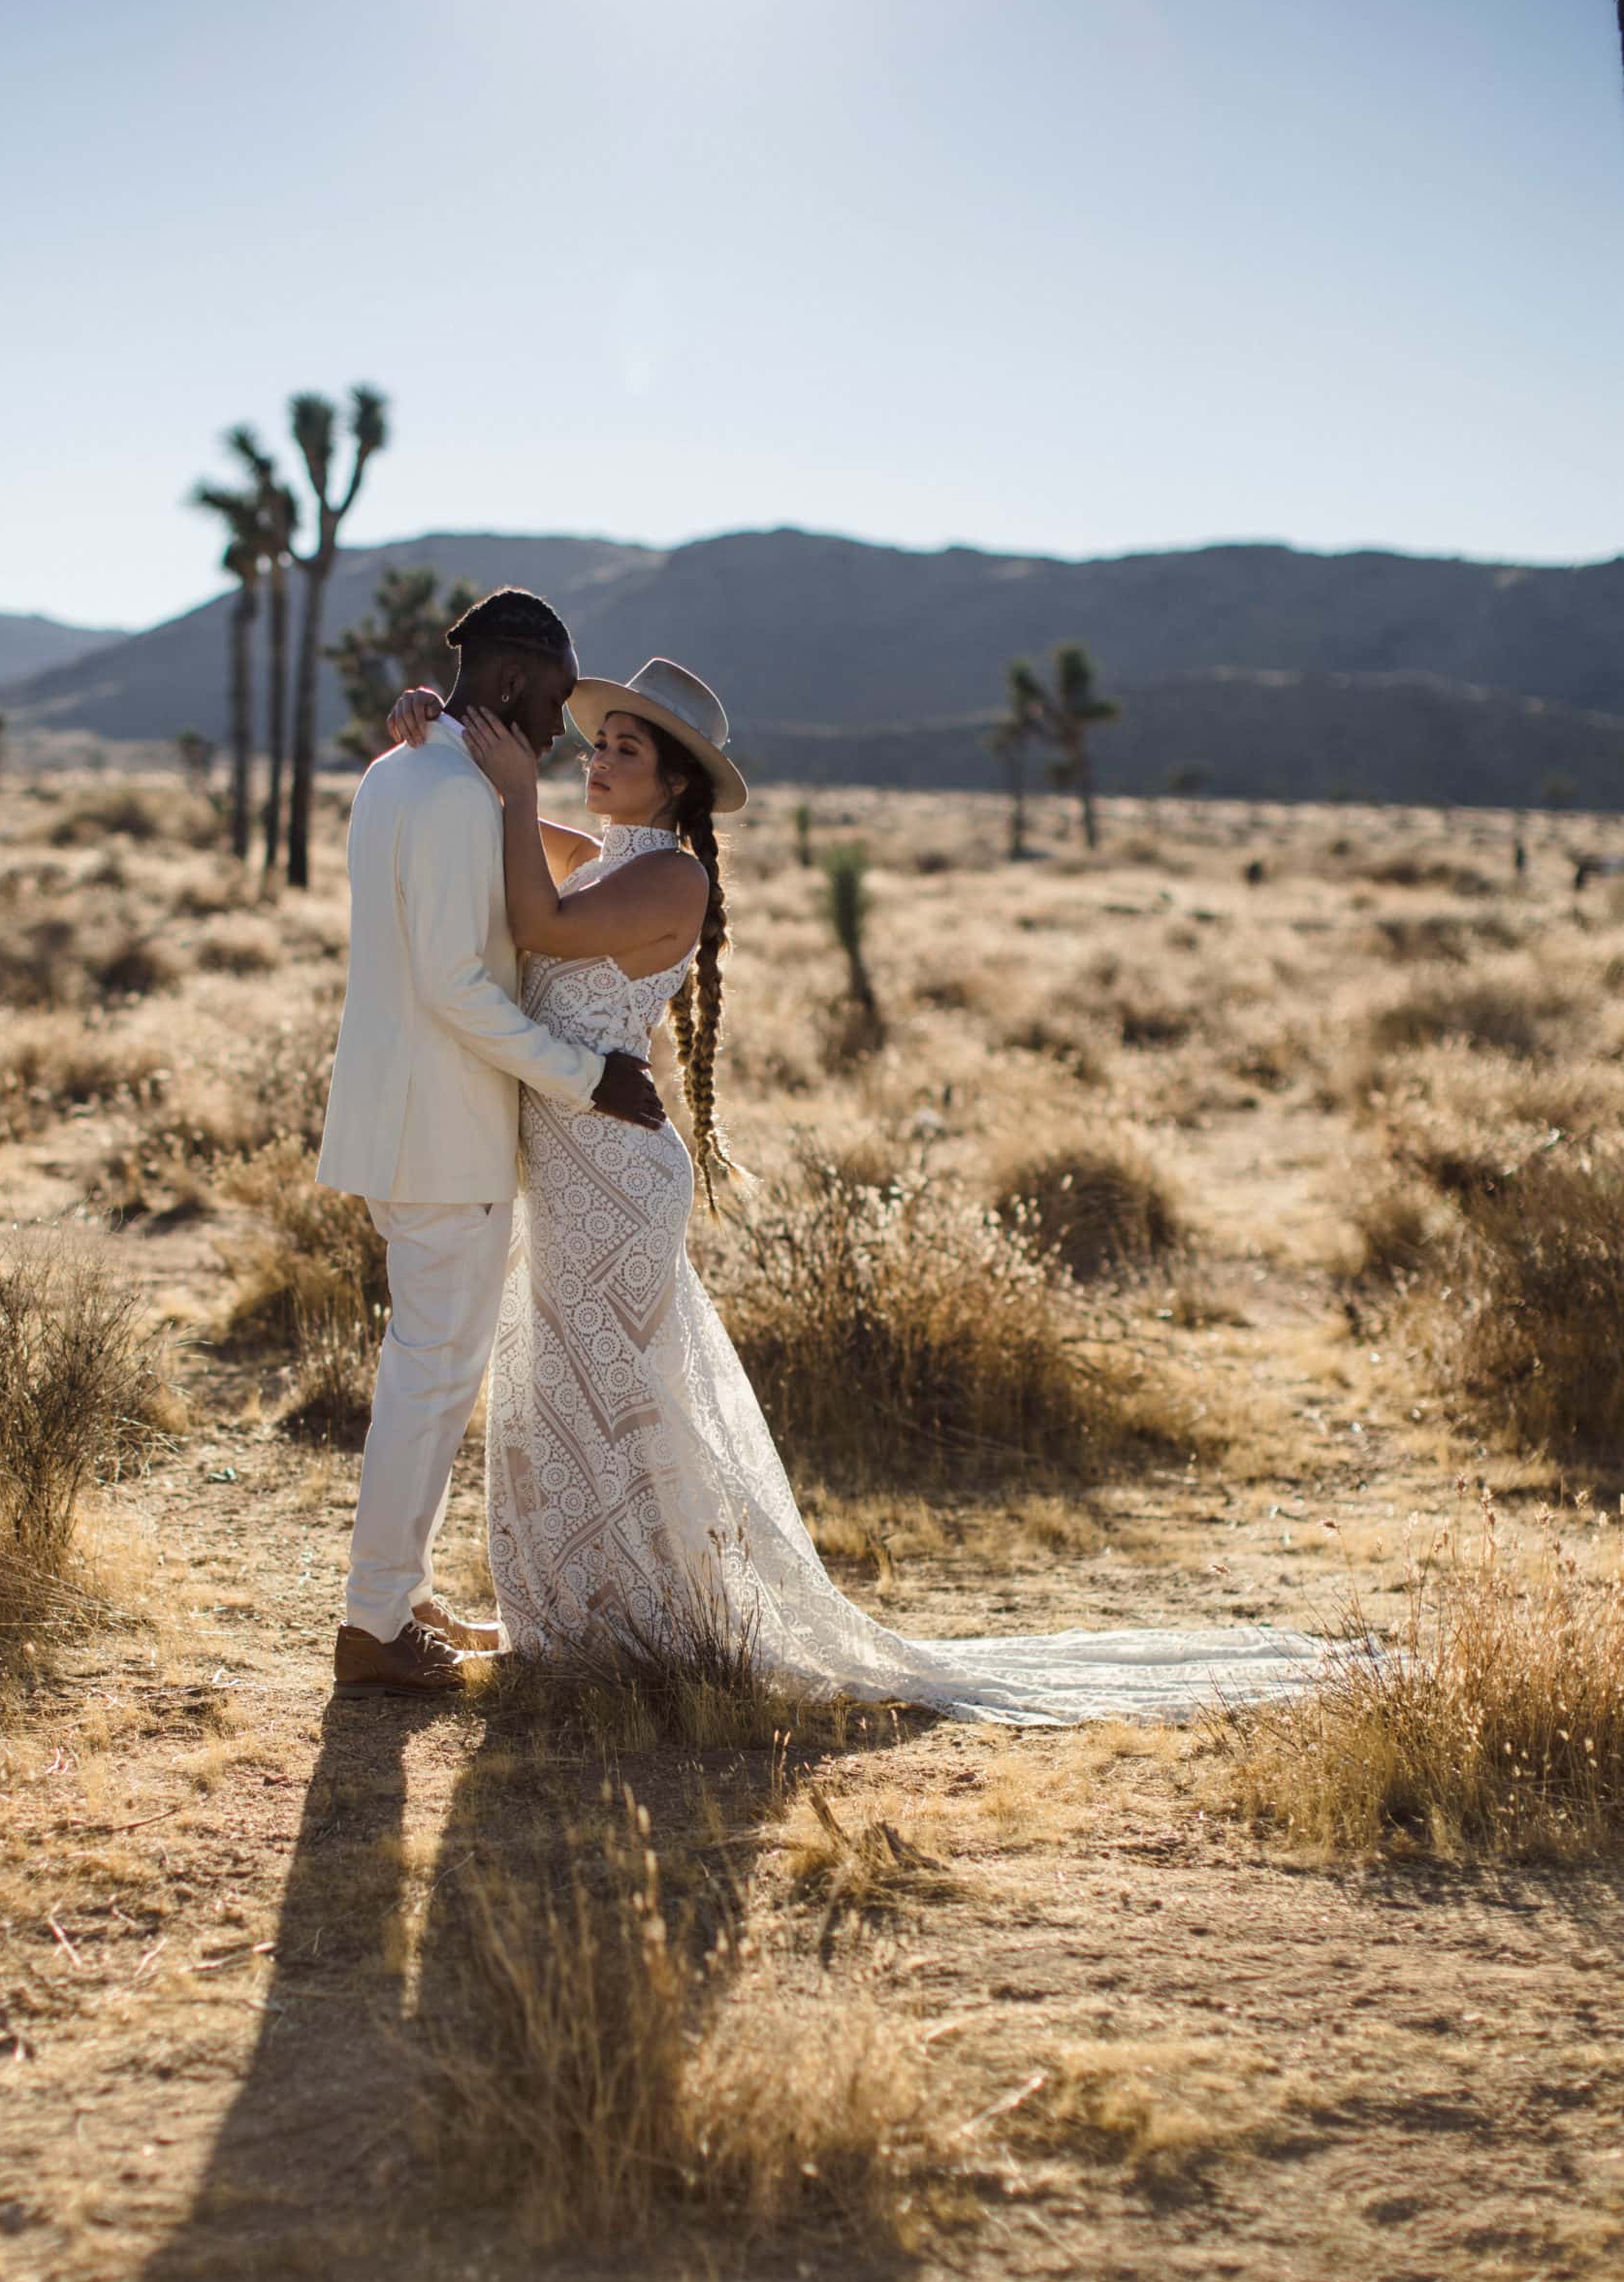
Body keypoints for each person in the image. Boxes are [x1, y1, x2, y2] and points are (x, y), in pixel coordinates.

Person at [379, 656, 1336, 1724]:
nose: (595, 759)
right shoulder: (603, 855)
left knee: (614, 1403)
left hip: (614, 1177)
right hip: (569, 1172)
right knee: (562, 1401)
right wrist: (439, 731)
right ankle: (590, 1622)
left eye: (625, 749)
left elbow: (537, 924)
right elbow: (487, 836)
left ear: (678, 781)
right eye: (597, 742)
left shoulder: (669, 878)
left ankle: (646, 1632)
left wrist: (514, 791)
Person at [316, 588, 667, 1698]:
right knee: (430, 1376)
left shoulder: (400, 771)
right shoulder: (455, 794)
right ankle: (374, 1621)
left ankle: (400, 1593)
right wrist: (585, 1077)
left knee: (426, 1367)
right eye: (560, 701)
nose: (565, 731)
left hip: (397, 1121)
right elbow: (457, 983)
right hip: (446, 1134)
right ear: (512, 683)